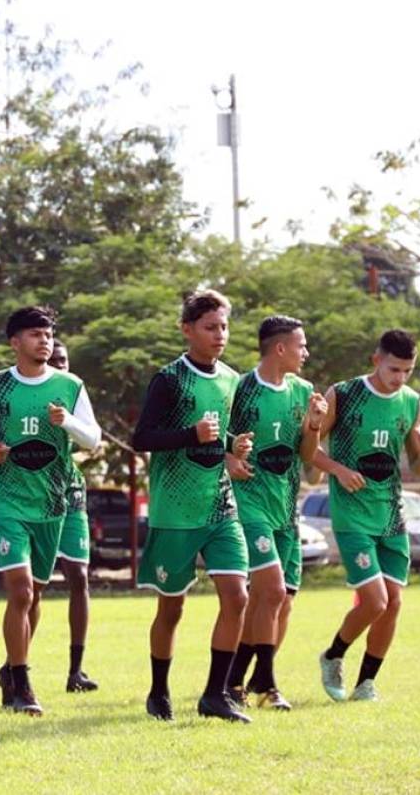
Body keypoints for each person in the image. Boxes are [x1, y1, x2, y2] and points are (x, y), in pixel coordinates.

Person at [0, 308, 100, 715]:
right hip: (7, 502)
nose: (44, 341)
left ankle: (9, 670)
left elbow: (92, 439)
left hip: (52, 503)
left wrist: (68, 424)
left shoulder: (70, 385)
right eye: (35, 334)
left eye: (48, 334)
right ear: (15, 343)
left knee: (35, 592)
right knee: (21, 589)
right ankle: (23, 684)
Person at [131, 289, 254, 723]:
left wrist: (234, 448)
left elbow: (221, 438)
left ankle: (214, 695)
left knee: (237, 596)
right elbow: (141, 438)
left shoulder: (232, 379)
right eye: (210, 327)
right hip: (175, 513)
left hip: (220, 506)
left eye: (224, 326)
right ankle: (158, 689)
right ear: (187, 330)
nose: (220, 334)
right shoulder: (169, 379)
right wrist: (191, 434)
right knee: (172, 608)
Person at [224, 316, 326, 710]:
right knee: (272, 590)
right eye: (301, 346)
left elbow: (307, 459)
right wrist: (229, 458)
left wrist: (315, 426)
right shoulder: (240, 389)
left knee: (282, 602)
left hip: (287, 509)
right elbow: (217, 440)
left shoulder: (303, 391)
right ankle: (266, 685)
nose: (306, 353)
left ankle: (236, 681)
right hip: (249, 505)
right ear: (280, 348)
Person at [313, 329, 420, 703]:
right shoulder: (343, 394)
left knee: (394, 603)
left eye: (408, 371)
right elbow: (308, 448)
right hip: (352, 514)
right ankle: (333, 655)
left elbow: (418, 467)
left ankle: (365, 684)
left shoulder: (411, 402)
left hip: (391, 515)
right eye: (395, 369)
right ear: (376, 360)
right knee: (374, 601)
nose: (400, 378)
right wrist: (339, 470)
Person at [31, 339, 98, 693]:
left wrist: (68, 420)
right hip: (29, 499)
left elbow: (92, 440)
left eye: (64, 361)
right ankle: (16, 665)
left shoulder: (72, 396)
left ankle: (76, 670)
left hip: (69, 495)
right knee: (33, 588)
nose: (60, 367)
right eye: (54, 361)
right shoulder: (27, 394)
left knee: (79, 576)